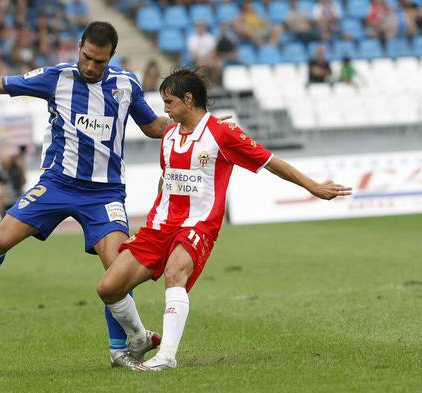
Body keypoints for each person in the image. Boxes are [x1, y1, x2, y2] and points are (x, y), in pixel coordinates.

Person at [0, 21, 176, 369]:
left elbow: (153, 126)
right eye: (86, 57)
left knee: (118, 271)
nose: (90, 66)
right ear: (79, 46)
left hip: (104, 193)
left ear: (111, 56)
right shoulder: (57, 77)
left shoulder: (126, 85)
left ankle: (119, 350)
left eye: (99, 61)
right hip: (57, 184)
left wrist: (193, 128)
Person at [96, 69, 352, 371]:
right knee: (108, 288)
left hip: (198, 224)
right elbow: (166, 178)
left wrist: (313, 186)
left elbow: (270, 162)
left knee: (175, 272)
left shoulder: (222, 133)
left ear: (189, 99)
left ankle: (166, 356)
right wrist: (156, 211)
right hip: (160, 225)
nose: (164, 109)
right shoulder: (168, 134)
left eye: (169, 101)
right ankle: (139, 338)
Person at [0, 150, 27, 217]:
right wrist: (1, 198)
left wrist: (22, 168)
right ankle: (3, 217)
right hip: (7, 196)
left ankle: (6, 217)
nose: (6, 163)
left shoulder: (16, 169)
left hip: (18, 194)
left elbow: (24, 182)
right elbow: (1, 189)